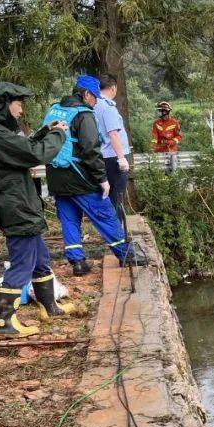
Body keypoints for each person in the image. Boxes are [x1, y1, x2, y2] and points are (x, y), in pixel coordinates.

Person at [0, 82, 70, 338]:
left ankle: (49, 306)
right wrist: (58, 135)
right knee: (22, 264)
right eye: (17, 104)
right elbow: (35, 154)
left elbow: (23, 148)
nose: (20, 109)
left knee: (40, 259)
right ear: (5, 105)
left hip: (20, 201)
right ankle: (4, 322)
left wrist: (44, 131)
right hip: (15, 204)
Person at [43, 75, 140, 277]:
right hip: (79, 177)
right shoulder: (83, 114)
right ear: (86, 94)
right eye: (94, 97)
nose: (96, 102)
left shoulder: (54, 110)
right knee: (105, 214)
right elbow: (91, 150)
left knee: (69, 219)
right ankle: (127, 255)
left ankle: (77, 262)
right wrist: (102, 180)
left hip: (56, 176)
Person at [93, 73, 131, 213]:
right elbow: (113, 134)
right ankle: (116, 232)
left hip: (99, 156)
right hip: (113, 158)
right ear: (113, 88)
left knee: (104, 196)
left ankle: (107, 230)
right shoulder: (108, 106)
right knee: (117, 197)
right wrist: (121, 158)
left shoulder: (93, 104)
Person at [150, 101, 182, 170]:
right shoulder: (156, 123)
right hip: (159, 150)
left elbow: (179, 136)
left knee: (172, 171)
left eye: (162, 111)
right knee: (160, 171)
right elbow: (154, 137)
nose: (161, 113)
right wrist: (152, 147)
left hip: (171, 150)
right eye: (160, 111)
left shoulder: (174, 122)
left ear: (167, 112)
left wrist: (172, 142)